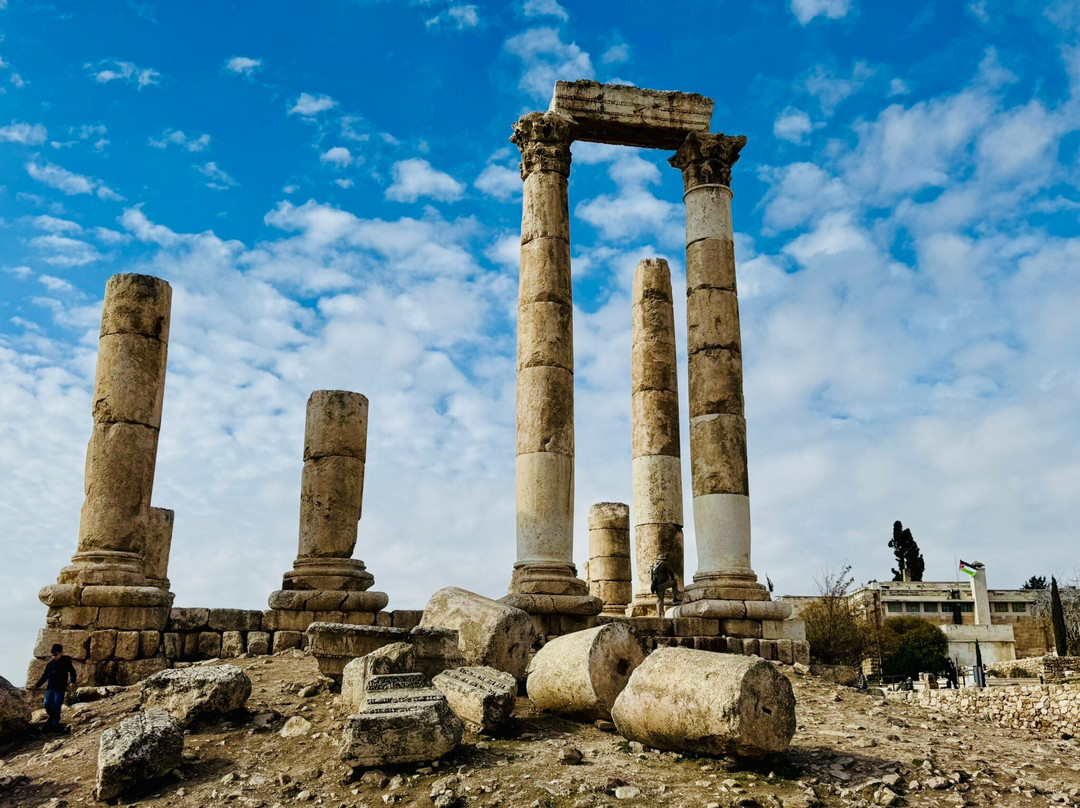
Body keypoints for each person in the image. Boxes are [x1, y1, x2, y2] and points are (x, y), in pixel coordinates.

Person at [34, 643, 77, 729]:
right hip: (50, 688)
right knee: (47, 704)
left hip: (60, 689)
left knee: (57, 704)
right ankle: (52, 717)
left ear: (61, 653)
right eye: (53, 655)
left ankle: (55, 721)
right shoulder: (50, 665)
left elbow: (72, 672)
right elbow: (44, 676)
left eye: (56, 654)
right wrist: (37, 685)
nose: (55, 656)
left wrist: (72, 681)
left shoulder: (66, 662)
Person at [650, 553, 681, 617]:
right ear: (664, 559)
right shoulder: (664, 563)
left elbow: (652, 578)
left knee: (660, 600)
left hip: (657, 586)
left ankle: (660, 614)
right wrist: (672, 578)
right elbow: (671, 571)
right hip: (664, 583)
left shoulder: (654, 566)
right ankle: (676, 599)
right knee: (674, 583)